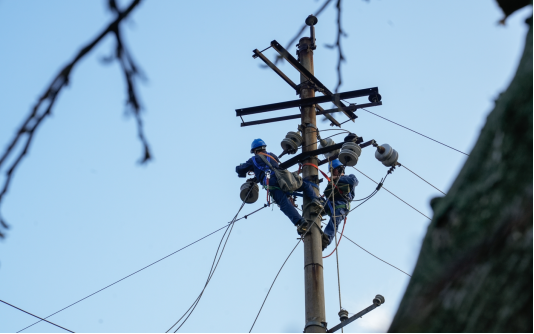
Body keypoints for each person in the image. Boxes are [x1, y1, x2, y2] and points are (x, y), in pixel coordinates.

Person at [236, 139, 323, 235]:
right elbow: (272, 165)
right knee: (305, 185)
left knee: (283, 203)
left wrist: (241, 167)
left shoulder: (253, 160)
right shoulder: (272, 156)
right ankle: (316, 200)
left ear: (255, 151)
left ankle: (300, 222)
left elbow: (240, 170)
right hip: (284, 179)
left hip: (271, 183)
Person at [322, 159, 359, 250]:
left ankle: (326, 239)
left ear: (339, 169)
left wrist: (337, 178)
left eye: (333, 169)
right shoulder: (331, 183)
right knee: (314, 206)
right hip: (330, 204)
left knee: (335, 219)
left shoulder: (349, 177)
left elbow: (354, 181)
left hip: (341, 206)